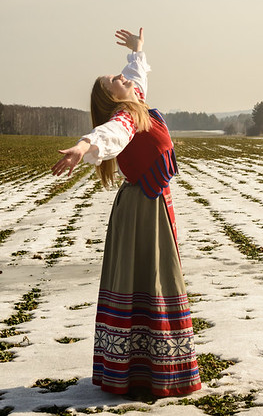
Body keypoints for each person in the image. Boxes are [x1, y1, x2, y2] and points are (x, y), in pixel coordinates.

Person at [51, 28, 202, 397]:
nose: (121, 77)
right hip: (141, 213)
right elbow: (108, 134)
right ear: (111, 98)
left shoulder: (136, 102)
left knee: (154, 279)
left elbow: (135, 78)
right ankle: (145, 373)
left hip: (152, 205)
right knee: (148, 281)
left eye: (120, 75)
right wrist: (82, 146)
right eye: (114, 81)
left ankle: (146, 368)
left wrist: (137, 52)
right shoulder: (125, 118)